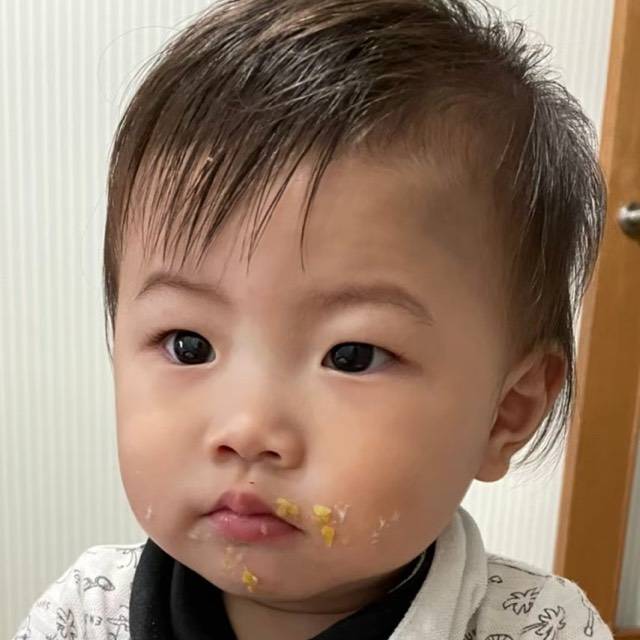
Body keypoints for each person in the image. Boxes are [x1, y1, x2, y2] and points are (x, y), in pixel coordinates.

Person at [13, 0, 614, 638]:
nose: (247, 430)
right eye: (188, 345)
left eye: (351, 356)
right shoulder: (86, 613)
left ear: (506, 413)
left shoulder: (538, 627)